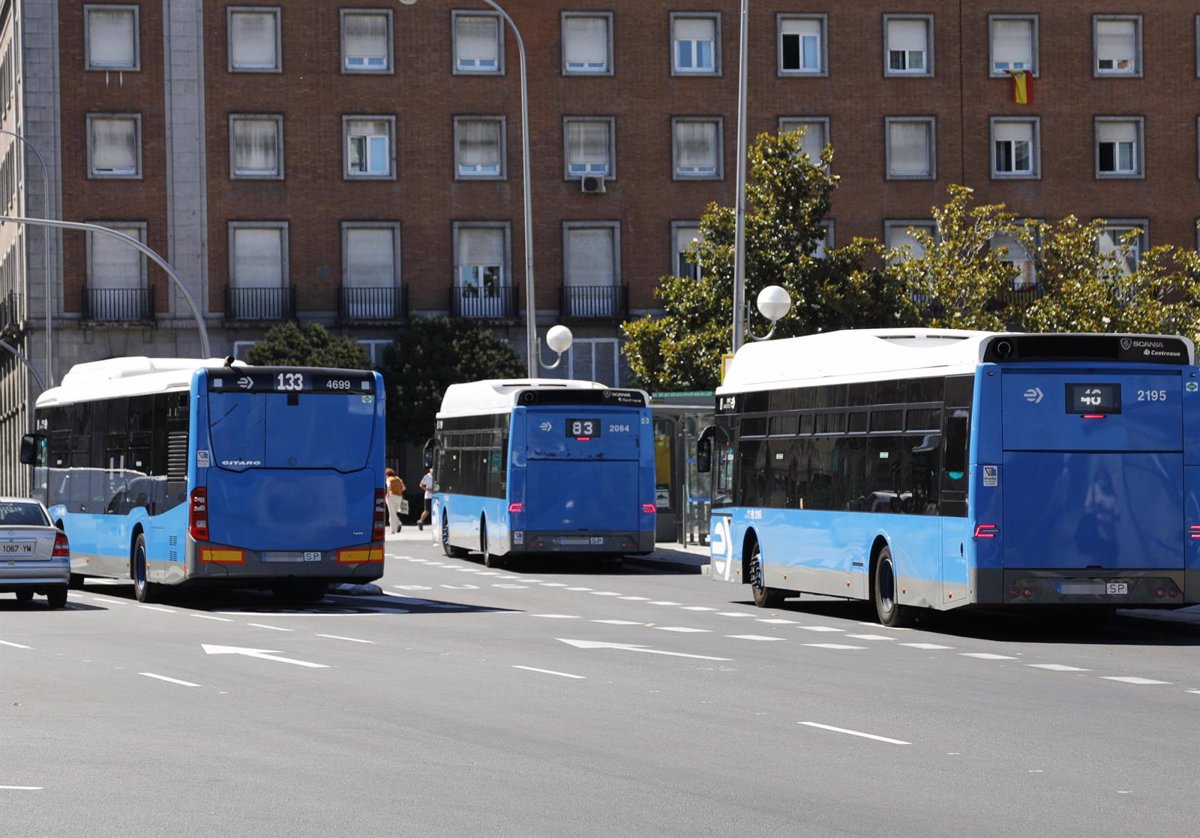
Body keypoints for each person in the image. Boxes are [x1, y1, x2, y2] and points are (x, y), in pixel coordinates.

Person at [384, 468, 406, 533]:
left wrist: (387, 494)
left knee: (392, 513)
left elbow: (389, 486)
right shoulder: (398, 479)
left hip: (391, 497)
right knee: (393, 513)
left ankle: (398, 523)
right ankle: (393, 530)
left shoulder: (388, 479)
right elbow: (404, 488)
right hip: (399, 497)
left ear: (387, 474)